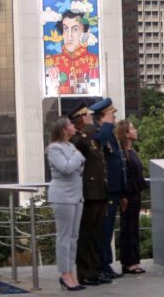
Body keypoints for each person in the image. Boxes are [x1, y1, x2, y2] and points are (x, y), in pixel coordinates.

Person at [69, 102, 111, 286]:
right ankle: (84, 273)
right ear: (80, 119)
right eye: (86, 116)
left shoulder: (88, 138)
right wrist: (103, 125)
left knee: (96, 235)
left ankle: (94, 270)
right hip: (88, 193)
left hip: (99, 192)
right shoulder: (78, 139)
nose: (90, 118)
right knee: (85, 235)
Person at [47, 116, 86, 291]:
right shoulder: (55, 148)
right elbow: (67, 168)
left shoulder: (71, 146)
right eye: (70, 125)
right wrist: (78, 156)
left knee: (73, 236)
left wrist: (76, 157)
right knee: (64, 237)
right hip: (62, 197)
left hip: (76, 195)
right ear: (64, 129)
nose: (73, 127)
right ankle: (64, 273)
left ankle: (71, 272)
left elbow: (76, 169)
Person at [91, 98, 126, 279]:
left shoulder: (109, 133)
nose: (114, 118)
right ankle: (101, 266)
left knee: (108, 229)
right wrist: (105, 125)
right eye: (111, 114)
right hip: (105, 190)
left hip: (114, 190)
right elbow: (98, 145)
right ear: (102, 117)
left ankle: (106, 264)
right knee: (104, 230)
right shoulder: (100, 133)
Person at [116, 120, 148, 274]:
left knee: (133, 227)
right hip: (128, 194)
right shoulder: (122, 153)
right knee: (128, 227)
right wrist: (122, 196)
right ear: (126, 133)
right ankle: (129, 262)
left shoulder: (131, 151)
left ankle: (133, 260)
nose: (136, 131)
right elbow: (122, 175)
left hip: (135, 193)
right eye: (132, 129)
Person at [45, 9, 99, 95]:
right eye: (65, 29)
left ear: (85, 33)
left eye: (75, 29)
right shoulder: (52, 61)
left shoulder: (94, 61)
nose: (69, 37)